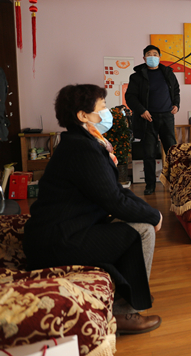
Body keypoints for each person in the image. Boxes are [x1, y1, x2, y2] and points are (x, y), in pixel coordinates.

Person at [23, 84, 163, 334]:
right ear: (82, 115)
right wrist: (153, 217)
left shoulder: (84, 142)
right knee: (143, 230)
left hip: (65, 230)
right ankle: (124, 312)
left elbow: (116, 191)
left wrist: (153, 212)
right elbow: (114, 200)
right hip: (58, 240)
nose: (107, 113)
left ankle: (126, 296)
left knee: (137, 223)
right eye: (103, 108)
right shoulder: (82, 148)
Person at [125, 44, 180, 195]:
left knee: (172, 151)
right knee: (148, 153)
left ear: (159, 57)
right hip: (147, 118)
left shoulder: (168, 73)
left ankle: (175, 182)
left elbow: (176, 90)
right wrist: (142, 110)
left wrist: (176, 104)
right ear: (144, 58)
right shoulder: (137, 76)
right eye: (149, 54)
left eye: (155, 54)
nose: (152, 57)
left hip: (167, 117)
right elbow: (130, 97)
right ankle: (150, 185)